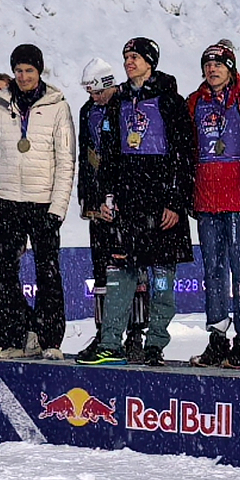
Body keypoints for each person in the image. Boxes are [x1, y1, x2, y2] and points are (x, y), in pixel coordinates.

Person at [76, 37, 194, 366]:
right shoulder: (118, 101)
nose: (129, 62)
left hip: (162, 200)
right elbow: (110, 154)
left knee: (161, 279)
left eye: (135, 57)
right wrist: (106, 195)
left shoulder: (171, 100)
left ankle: (155, 343)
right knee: (120, 275)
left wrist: (176, 202)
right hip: (129, 200)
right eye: (126, 57)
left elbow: (184, 154)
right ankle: (110, 342)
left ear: (150, 63)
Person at [0, 43, 75, 360]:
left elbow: (66, 161)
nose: (24, 76)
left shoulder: (57, 106)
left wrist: (58, 208)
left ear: (39, 71)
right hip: (6, 200)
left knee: (48, 275)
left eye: (29, 70)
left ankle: (50, 340)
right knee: (2, 274)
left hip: (43, 202)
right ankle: (16, 337)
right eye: (19, 70)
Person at [187, 41, 240, 368]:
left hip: (239, 198)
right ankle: (217, 338)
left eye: (218, 64)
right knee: (213, 271)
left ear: (230, 68)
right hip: (207, 198)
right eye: (207, 65)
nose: (212, 70)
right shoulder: (196, 101)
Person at [77, 57, 146, 353]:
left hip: (126, 198)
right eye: (90, 93)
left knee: (132, 268)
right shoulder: (87, 111)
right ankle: (104, 333)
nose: (95, 97)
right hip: (98, 200)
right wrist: (88, 198)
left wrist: (122, 196)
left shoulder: (127, 104)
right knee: (101, 270)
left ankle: (135, 334)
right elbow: (85, 155)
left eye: (98, 92)